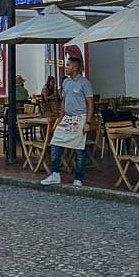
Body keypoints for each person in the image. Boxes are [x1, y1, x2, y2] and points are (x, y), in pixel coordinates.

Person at [41, 49, 93, 188]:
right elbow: (63, 102)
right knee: (56, 142)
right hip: (67, 118)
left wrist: (88, 122)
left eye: (68, 65)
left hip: (80, 117)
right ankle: (55, 174)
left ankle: (78, 178)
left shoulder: (84, 83)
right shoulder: (66, 83)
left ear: (75, 67)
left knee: (79, 148)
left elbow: (90, 103)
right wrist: (60, 118)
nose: (66, 67)